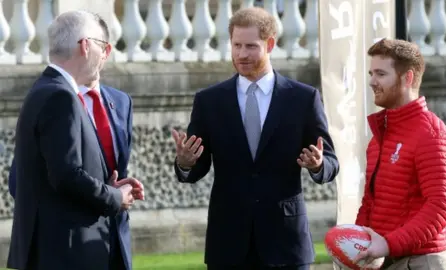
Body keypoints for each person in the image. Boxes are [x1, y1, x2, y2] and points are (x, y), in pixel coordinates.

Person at [172, 7, 339, 270]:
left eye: (250, 46)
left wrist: (319, 165)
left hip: (285, 243)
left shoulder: (303, 98)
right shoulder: (209, 101)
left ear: (270, 44)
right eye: (236, 45)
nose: (241, 54)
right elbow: (196, 168)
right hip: (228, 244)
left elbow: (330, 162)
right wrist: (185, 162)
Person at [7, 10, 143, 270]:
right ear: (86, 45)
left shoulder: (44, 89)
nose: (104, 56)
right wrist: (115, 197)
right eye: (102, 47)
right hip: (67, 251)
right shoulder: (61, 96)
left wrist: (106, 182)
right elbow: (66, 174)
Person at [353, 38, 446, 269]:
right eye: (371, 73)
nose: (372, 82)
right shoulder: (381, 135)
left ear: (407, 78)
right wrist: (356, 243)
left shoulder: (431, 134)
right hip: (389, 260)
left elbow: (440, 206)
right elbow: (370, 202)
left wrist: (388, 244)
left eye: (380, 74)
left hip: (424, 262)